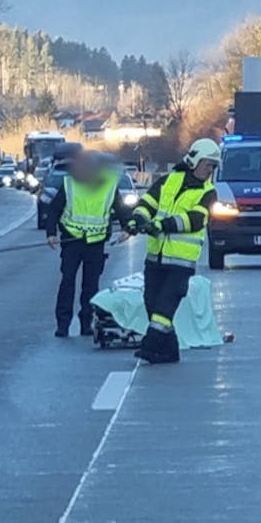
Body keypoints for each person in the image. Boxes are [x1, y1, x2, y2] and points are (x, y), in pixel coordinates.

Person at [125, 138, 220, 364]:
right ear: (195, 160)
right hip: (155, 258)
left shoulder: (209, 192)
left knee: (165, 308)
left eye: (214, 166)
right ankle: (169, 352)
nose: (211, 170)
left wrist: (163, 225)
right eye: (208, 164)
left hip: (181, 263)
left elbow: (196, 219)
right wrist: (137, 220)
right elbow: (148, 203)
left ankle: (150, 346)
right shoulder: (169, 181)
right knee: (152, 303)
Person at [44, 150, 129, 338]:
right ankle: (63, 325)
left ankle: (86, 323)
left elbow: (121, 208)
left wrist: (127, 228)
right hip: (72, 240)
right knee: (67, 283)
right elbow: (54, 209)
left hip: (96, 243)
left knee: (91, 287)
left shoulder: (108, 186)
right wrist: (51, 233)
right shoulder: (70, 184)